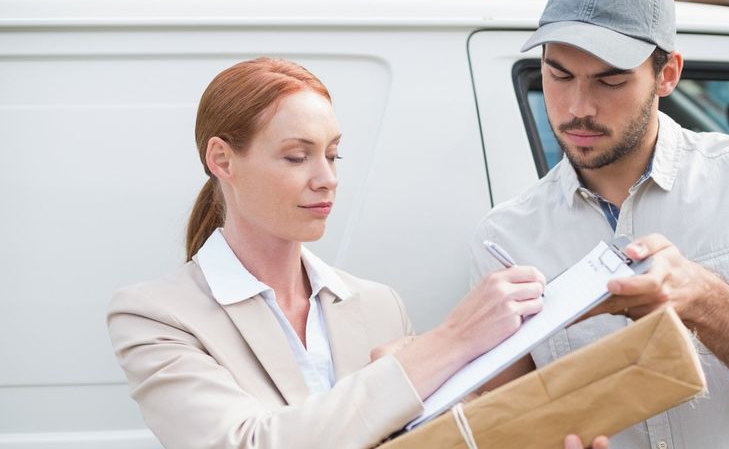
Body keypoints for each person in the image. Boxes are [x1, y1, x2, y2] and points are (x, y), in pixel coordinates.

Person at [470, 0, 729, 449]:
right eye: (559, 75)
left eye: (610, 81)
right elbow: (509, 429)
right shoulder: (503, 237)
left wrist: (704, 300)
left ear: (668, 73)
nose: (578, 108)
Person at [107, 57, 555, 448]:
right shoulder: (156, 315)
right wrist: (450, 342)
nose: (327, 178)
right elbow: (249, 442)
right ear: (222, 161)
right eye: (297, 157)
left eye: (333, 155)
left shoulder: (379, 304)